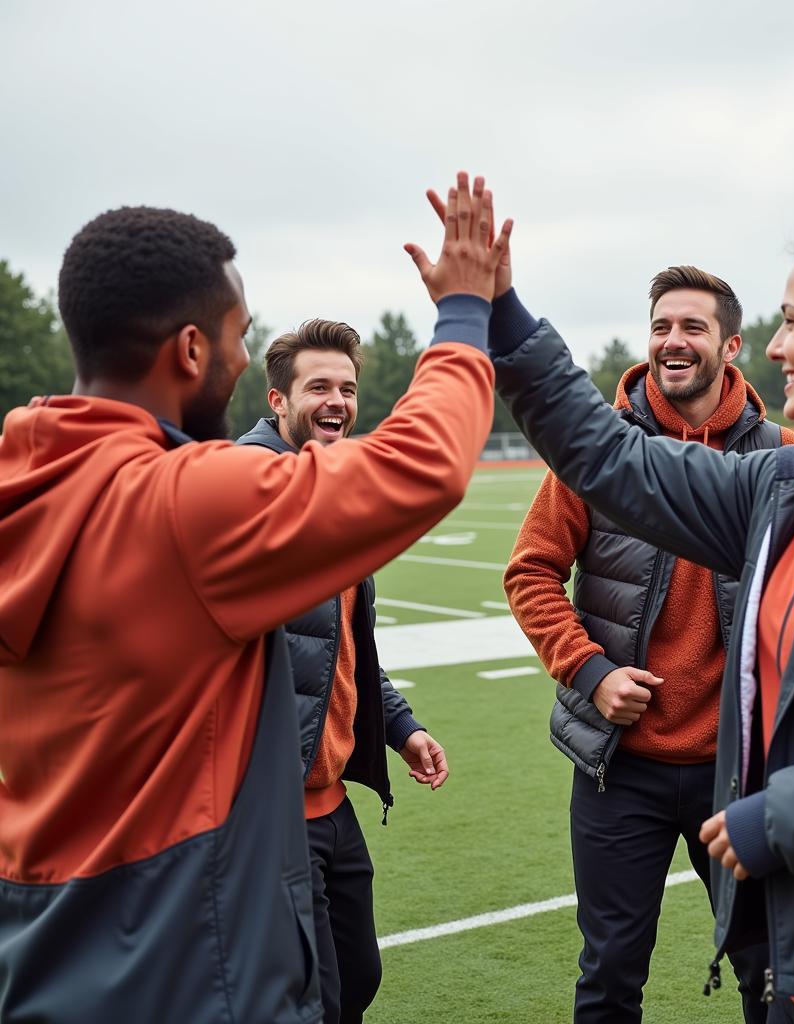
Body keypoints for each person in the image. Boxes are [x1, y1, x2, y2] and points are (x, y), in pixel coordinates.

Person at [438, 166, 794, 1023]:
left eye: (792, 323)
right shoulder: (788, 489)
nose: (777, 347)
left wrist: (785, 818)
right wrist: (501, 311)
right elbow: (613, 459)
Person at [0, 174, 509, 1022]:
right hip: (185, 954)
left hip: (48, 943)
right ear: (191, 351)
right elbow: (422, 466)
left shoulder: (28, 480)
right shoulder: (183, 501)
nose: (242, 361)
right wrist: (464, 311)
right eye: (237, 338)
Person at [503, 265, 794, 1023]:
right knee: (608, 973)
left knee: (767, 966)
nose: (674, 341)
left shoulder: (783, 457)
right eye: (662, 326)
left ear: (731, 345)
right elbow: (531, 570)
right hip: (620, 769)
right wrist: (589, 670)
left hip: (739, 772)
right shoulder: (596, 452)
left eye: (693, 327)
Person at [237, 318, 449, 1024]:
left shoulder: (330, 495)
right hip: (272, 813)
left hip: (333, 805)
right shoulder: (246, 491)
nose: (336, 401)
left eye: (348, 388)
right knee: (316, 999)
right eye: (318, 386)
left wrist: (401, 728)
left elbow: (340, 653)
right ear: (277, 399)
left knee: (356, 979)